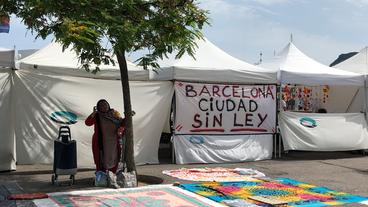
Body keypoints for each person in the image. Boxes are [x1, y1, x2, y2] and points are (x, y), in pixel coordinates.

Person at [85, 99, 125, 174]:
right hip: (101, 142)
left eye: (105, 104)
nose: (104, 106)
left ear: (108, 105)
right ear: (98, 107)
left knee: (114, 158)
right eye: (101, 105)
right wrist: (93, 113)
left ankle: (112, 175)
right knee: (101, 159)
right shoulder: (97, 115)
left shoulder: (115, 114)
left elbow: (122, 123)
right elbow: (87, 123)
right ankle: (102, 176)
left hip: (113, 142)